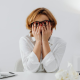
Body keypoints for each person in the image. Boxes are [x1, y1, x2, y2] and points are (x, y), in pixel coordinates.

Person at [19, 7, 67, 73]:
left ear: (51, 26)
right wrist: (38, 41)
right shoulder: (24, 40)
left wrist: (44, 41)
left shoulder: (60, 43)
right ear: (31, 26)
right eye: (36, 24)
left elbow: (51, 69)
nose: (41, 27)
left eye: (45, 23)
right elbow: (31, 69)